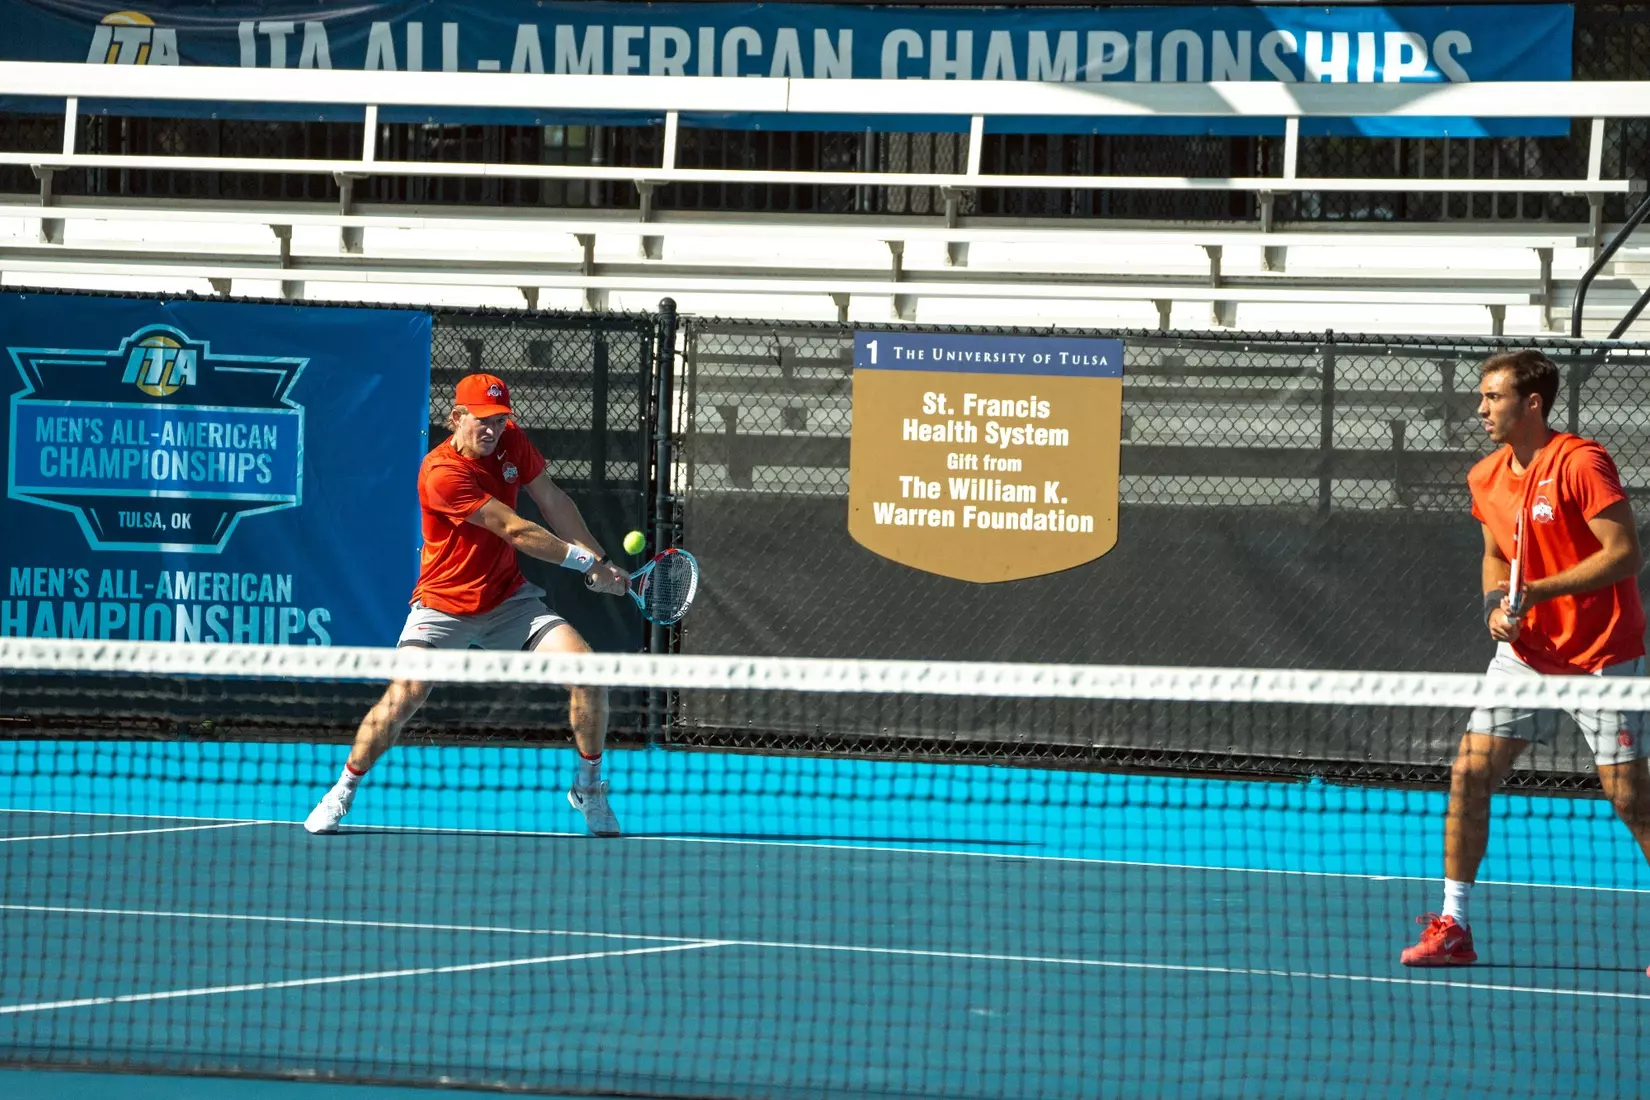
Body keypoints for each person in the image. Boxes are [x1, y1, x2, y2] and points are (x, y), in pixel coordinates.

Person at [1402, 350, 1650, 970]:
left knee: (1630, 796)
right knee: (1469, 774)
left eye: (1492, 397)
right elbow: (1494, 554)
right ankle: (1453, 926)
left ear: (1531, 403)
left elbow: (1624, 554)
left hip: (1602, 655)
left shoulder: (1581, 462)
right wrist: (1494, 605)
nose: (1480, 408)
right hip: (1525, 658)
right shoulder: (1485, 475)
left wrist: (1539, 590)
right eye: (1481, 397)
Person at [303, 373, 631, 838]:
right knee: (403, 697)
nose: (493, 430)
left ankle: (589, 790)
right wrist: (584, 564)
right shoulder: (440, 472)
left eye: (500, 420)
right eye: (483, 421)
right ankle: (343, 789)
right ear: (455, 417)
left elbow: (554, 500)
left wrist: (601, 559)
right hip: (442, 605)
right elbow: (515, 529)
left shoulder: (512, 443)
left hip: (507, 600)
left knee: (590, 676)